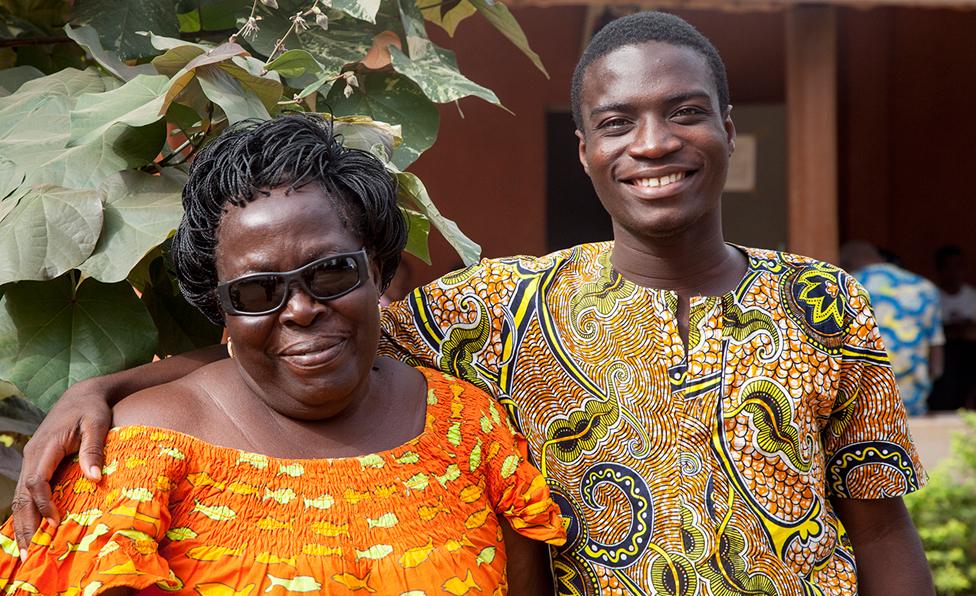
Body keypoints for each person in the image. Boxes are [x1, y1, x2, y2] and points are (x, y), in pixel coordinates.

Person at [13, 12, 932, 595]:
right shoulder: (508, 306)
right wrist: (105, 388)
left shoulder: (824, 302)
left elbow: (882, 529)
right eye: (618, 122)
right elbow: (311, 330)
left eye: (685, 112)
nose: (654, 143)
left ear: (729, 129)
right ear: (583, 150)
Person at [0, 114, 565, 594]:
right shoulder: (134, 454)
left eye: (331, 272)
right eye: (257, 292)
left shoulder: (465, 425)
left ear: (376, 269)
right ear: (220, 308)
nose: (299, 310)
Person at [840, 240, 944, 415]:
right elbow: (937, 363)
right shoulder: (924, 288)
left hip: (862, 406)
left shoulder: (844, 287)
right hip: (911, 403)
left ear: (844, 264)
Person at [930, 244, 976, 411]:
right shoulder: (930, 296)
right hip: (943, 356)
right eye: (948, 267)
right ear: (939, 270)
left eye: (959, 266)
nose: (954, 272)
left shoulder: (972, 296)